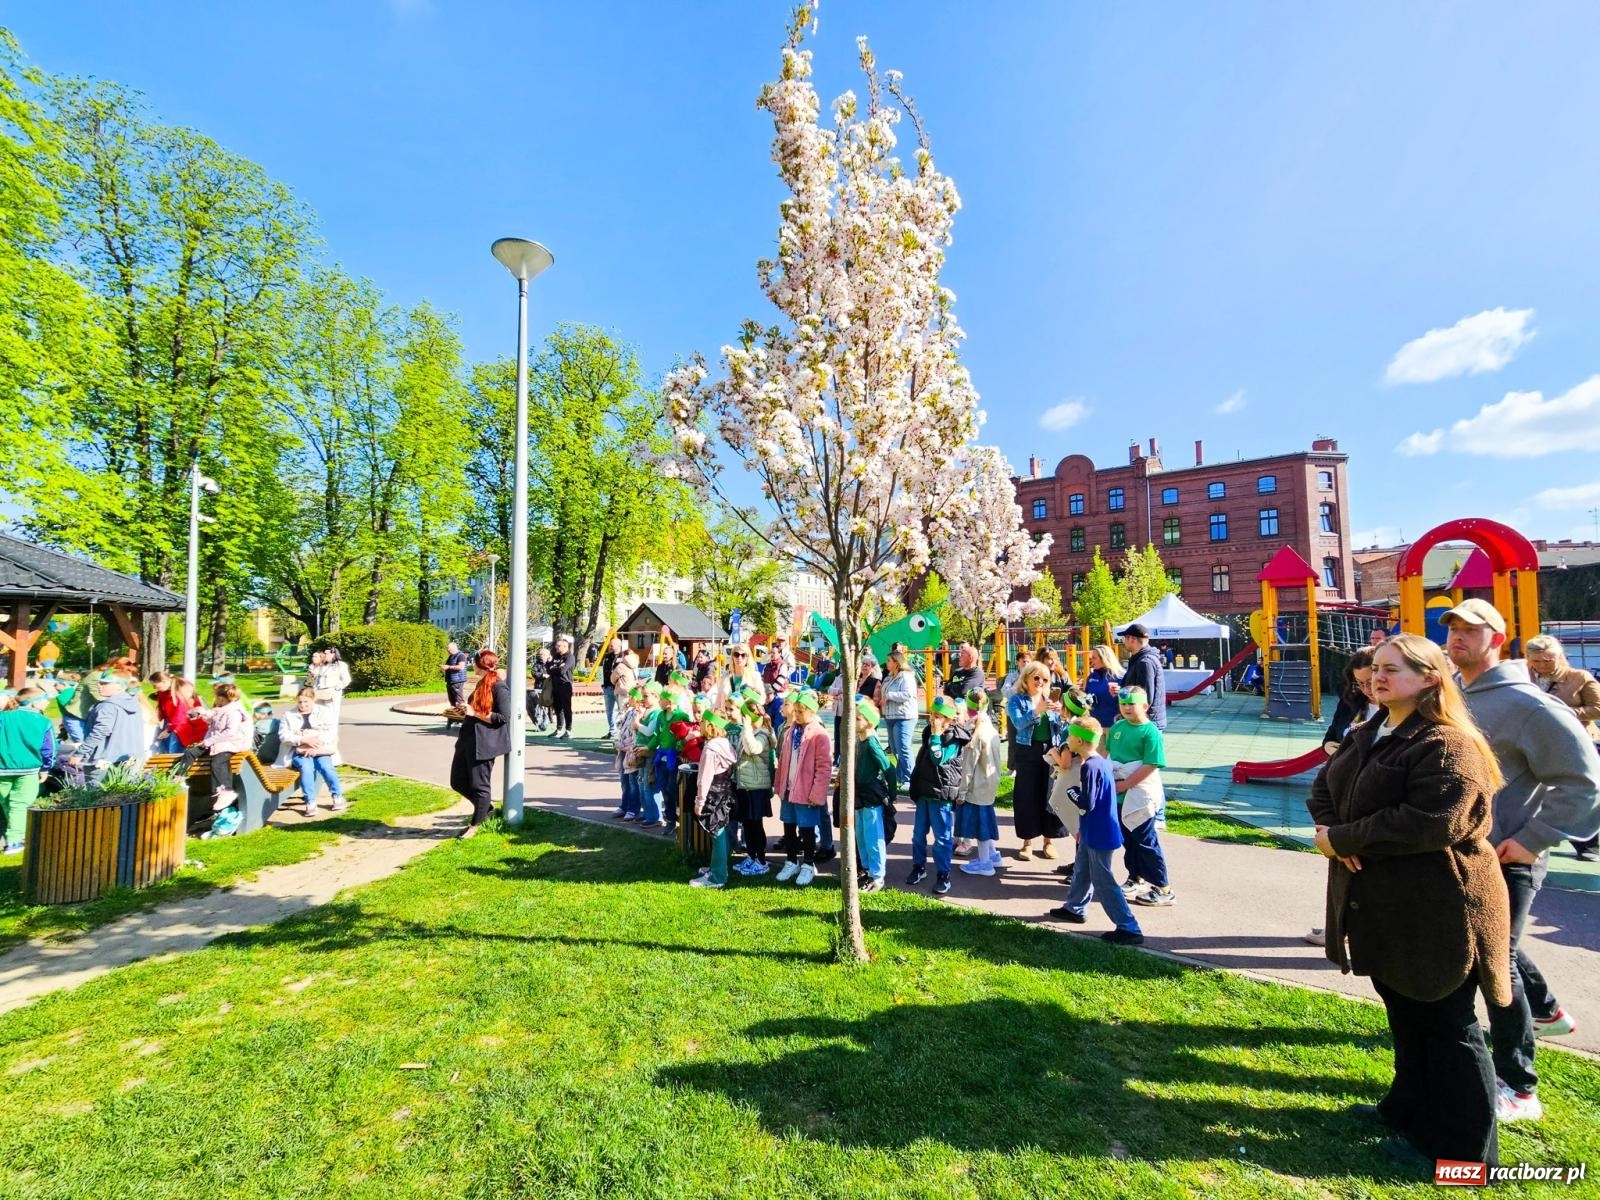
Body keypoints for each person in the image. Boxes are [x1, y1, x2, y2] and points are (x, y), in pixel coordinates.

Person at [1308, 633, 1510, 1167]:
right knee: (1405, 1011)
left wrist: (1347, 839)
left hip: (1440, 907)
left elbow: (1433, 821)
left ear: (1429, 679)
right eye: (1375, 667)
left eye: (1393, 669)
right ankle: (1408, 1110)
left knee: (1448, 1026)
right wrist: (1331, 830)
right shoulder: (1371, 728)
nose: (1377, 677)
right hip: (1386, 906)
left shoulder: (1447, 743)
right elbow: (1324, 788)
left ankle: (1467, 1158)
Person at [1444, 599, 1600, 1119]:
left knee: (1495, 962)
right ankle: (1550, 1012)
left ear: (1499, 638)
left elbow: (1583, 783)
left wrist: (1536, 837)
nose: (1458, 637)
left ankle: (1520, 1085)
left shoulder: (1531, 705)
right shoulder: (1459, 695)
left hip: (1509, 856)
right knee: (1496, 946)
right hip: (1467, 854)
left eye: (1472, 630)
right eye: (1453, 628)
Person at [1048, 716, 1145, 945]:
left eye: (1070, 736)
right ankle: (1075, 908)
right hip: (1093, 829)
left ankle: (1128, 926)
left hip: (1100, 834)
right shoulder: (1099, 762)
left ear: (1080, 741)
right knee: (1082, 868)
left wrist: (1071, 792)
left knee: (1103, 880)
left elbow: (1086, 803)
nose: (1068, 739)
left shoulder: (1090, 767)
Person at [1306, 648, 1379, 946]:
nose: (1368, 689)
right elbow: (1331, 738)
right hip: (1344, 794)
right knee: (1343, 869)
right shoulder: (1353, 704)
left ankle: (1360, 932)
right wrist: (1339, 752)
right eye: (1360, 683)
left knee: (1368, 870)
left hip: (1371, 804)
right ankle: (1340, 928)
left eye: (1370, 681)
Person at [1525, 634, 1600, 861]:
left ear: (1560, 656)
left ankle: (1588, 845)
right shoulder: (1524, 678)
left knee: (1577, 792)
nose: (1541, 666)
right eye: (1536, 661)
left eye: (1548, 660)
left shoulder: (1580, 678)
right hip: (1537, 742)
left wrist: (1565, 713)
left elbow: (1597, 708)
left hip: (1575, 743)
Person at [1108, 686, 1174, 907]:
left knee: (1145, 842)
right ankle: (1136, 876)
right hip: (1119, 797)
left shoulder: (1150, 732)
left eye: (1131, 704)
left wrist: (1126, 784)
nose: (1127, 708)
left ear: (1145, 706)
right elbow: (1109, 756)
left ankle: (1163, 887)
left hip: (1139, 796)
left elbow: (1151, 764)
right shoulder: (1118, 727)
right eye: (1123, 703)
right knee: (1128, 840)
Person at [906, 695, 973, 896]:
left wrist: (936, 735)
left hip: (941, 796)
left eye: (941, 716)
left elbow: (938, 759)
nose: (935, 720)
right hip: (924, 794)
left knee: (942, 839)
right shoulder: (929, 733)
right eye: (933, 715)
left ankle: (943, 874)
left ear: (951, 720)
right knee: (918, 835)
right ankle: (919, 867)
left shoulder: (954, 739)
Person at [1005, 662, 1067, 861]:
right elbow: (1019, 724)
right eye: (1036, 678)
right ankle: (1027, 842)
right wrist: (1037, 710)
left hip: (1050, 750)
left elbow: (1060, 730)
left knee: (1050, 795)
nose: (1040, 682)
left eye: (1045, 679)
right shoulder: (1017, 700)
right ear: (1026, 678)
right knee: (1027, 796)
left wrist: (1060, 715)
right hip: (1027, 751)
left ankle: (1048, 841)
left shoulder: (1049, 700)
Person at [773, 688, 831, 886]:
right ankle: (791, 861)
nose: (796, 716)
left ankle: (808, 863)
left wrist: (816, 794)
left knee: (807, 830)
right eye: (795, 712)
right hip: (789, 790)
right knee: (788, 827)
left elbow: (824, 768)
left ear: (812, 711)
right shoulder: (791, 731)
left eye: (800, 712)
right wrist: (780, 785)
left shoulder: (819, 734)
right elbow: (783, 759)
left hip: (807, 793)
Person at [450, 650, 511, 838]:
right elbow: (474, 709)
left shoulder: (499, 686)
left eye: (474, 662)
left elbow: (503, 717)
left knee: (479, 785)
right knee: (457, 781)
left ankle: (476, 824)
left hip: (484, 743)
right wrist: (463, 711)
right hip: (467, 739)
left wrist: (473, 713)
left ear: (481, 664)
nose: (471, 665)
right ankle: (487, 808)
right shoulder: (481, 683)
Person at [65, 668, 148, 783]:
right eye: (100, 682)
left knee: (99, 798)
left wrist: (79, 753)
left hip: (104, 761)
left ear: (120, 686)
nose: (100, 685)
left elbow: (99, 733)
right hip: (131, 758)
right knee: (127, 797)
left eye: (105, 683)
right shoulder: (133, 703)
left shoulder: (107, 707)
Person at [0, 689, 56, 854]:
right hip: (28, 769)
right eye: (45, 699)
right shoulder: (42, 721)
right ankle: (14, 840)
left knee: (6, 802)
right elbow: (49, 749)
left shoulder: (3, 717)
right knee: (20, 803)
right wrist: (46, 768)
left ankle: (16, 832)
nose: (47, 703)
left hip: (2, 768)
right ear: (34, 702)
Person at [851, 696, 897, 892]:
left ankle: (878, 876)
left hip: (871, 796)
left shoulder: (870, 743)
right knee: (861, 835)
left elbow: (889, 769)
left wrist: (892, 794)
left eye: (858, 718)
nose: (854, 722)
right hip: (860, 795)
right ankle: (867, 870)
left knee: (872, 836)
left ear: (869, 722)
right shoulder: (858, 741)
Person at [689, 710, 739, 889]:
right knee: (721, 832)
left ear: (710, 725)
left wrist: (699, 802)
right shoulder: (725, 744)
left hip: (712, 796)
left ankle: (717, 877)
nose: (699, 724)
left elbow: (704, 778)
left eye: (702, 721)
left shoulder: (710, 749)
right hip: (725, 793)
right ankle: (718, 867)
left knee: (716, 833)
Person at [956, 690, 1003, 877]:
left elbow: (968, 765)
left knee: (980, 825)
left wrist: (961, 791)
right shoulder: (990, 726)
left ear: (968, 707)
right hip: (990, 782)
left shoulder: (975, 732)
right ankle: (992, 854)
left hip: (977, 786)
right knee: (987, 820)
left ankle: (985, 863)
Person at [281, 687, 345, 816]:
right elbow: (283, 736)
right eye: (300, 702)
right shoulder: (288, 715)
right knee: (306, 767)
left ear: (313, 700)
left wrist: (315, 744)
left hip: (320, 749)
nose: (303, 705)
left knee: (326, 766)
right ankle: (310, 801)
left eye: (306, 702)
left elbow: (331, 732)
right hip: (299, 750)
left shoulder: (324, 712)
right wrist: (302, 739)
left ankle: (337, 795)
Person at [732, 693, 775, 875]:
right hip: (745, 785)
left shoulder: (763, 734)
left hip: (757, 787)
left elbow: (753, 749)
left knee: (756, 825)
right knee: (748, 824)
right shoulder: (748, 731)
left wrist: (747, 727)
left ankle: (762, 860)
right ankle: (751, 856)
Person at [199, 681, 252, 812]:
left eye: (216, 696)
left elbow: (229, 732)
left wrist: (210, 741)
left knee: (218, 761)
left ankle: (226, 790)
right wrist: (203, 715)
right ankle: (219, 792)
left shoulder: (234, 711)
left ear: (222, 698)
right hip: (225, 741)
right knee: (209, 756)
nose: (215, 699)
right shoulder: (224, 708)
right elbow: (214, 717)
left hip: (235, 742)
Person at [880, 649, 918, 793]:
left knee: (903, 747)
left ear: (896, 663)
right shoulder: (889, 677)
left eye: (889, 660)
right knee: (895, 748)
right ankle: (900, 776)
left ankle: (909, 778)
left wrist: (889, 695)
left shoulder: (906, 677)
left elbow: (908, 694)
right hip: (890, 715)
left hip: (904, 716)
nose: (887, 663)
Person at [1117, 624, 1168, 730]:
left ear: (1131, 639)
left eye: (1124, 638)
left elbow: (1144, 697)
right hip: (1143, 721)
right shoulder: (1141, 659)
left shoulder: (1144, 662)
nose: (1123, 642)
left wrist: (1130, 717)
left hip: (1144, 723)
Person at [148, 670, 192, 753]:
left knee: (174, 750)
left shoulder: (179, 693)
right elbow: (162, 709)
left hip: (180, 725)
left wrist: (168, 730)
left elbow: (179, 714)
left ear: (164, 682)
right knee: (164, 748)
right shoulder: (163, 693)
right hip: (171, 723)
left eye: (156, 686)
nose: (155, 688)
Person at [1084, 644, 1123, 731]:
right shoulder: (1091, 677)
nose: (1091, 661)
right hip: (1095, 726)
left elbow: (1130, 696)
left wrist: (1121, 692)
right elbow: (1085, 696)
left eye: (1094, 658)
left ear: (1104, 658)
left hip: (1115, 725)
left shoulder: (1121, 676)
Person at [546, 637, 575, 739]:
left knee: (567, 709)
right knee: (557, 709)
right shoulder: (555, 656)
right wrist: (552, 665)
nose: (556, 647)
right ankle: (558, 729)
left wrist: (555, 668)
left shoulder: (569, 657)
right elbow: (549, 670)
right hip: (555, 686)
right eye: (556, 645)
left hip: (565, 686)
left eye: (558, 646)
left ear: (565, 646)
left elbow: (563, 671)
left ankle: (568, 730)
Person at [599, 637, 623, 740]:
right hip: (608, 687)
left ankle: (622, 732)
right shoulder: (607, 657)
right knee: (609, 710)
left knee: (622, 710)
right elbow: (605, 671)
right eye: (610, 644)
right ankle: (612, 730)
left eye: (612, 644)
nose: (610, 646)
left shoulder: (623, 656)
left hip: (618, 687)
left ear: (619, 645)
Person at [441, 642, 470, 708]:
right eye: (447, 649)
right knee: (452, 700)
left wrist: (448, 667)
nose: (448, 651)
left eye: (449, 649)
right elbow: (450, 666)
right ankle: (454, 716)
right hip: (450, 680)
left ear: (454, 648)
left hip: (457, 681)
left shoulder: (461, 655)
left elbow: (461, 667)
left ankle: (462, 715)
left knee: (459, 700)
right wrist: (445, 668)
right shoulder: (451, 656)